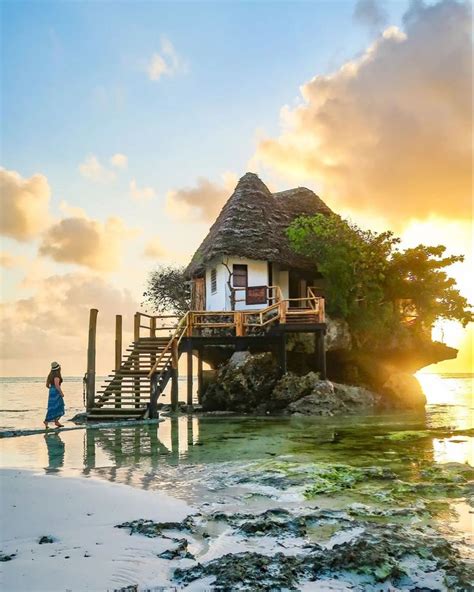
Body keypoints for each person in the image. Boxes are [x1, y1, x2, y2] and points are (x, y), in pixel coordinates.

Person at [44, 362, 65, 429]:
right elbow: (57, 385)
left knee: (52, 407)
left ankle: (53, 421)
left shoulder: (50, 375)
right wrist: (61, 393)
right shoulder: (56, 376)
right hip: (56, 392)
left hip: (51, 392)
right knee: (60, 406)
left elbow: (47, 385)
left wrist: (52, 389)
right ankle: (51, 421)